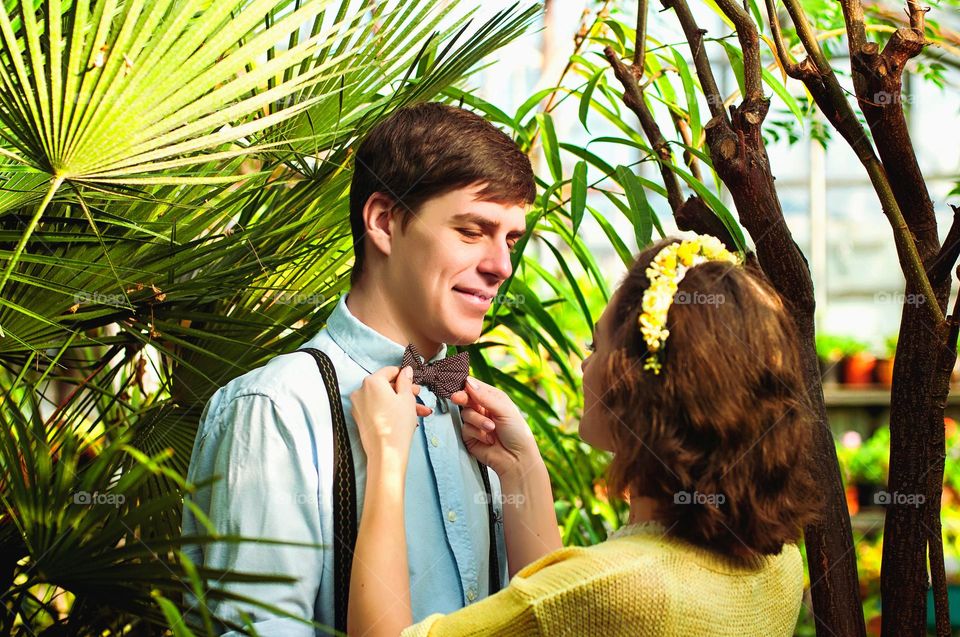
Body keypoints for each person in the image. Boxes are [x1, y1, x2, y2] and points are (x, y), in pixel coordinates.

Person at [181, 102, 549, 634]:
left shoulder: (484, 423)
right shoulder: (274, 410)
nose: (501, 267)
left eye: (510, 239)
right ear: (383, 222)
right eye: (472, 231)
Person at [348, 234, 823, 636]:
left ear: (632, 384)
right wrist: (521, 469)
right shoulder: (780, 567)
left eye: (597, 345)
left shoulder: (619, 590)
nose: (584, 362)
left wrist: (388, 461)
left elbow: (572, 601)